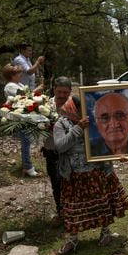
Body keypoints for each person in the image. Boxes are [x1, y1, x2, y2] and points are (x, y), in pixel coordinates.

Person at [53, 96, 128, 255]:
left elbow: (107, 142)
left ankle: (105, 231)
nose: (83, 113)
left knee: (102, 203)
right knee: (73, 208)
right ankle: (73, 239)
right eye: (79, 110)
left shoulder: (95, 122)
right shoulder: (61, 124)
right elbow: (60, 147)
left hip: (97, 171)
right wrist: (79, 128)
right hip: (74, 174)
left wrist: (119, 154)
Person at [2, 63, 43, 177]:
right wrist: (36, 90)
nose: (20, 74)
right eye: (18, 73)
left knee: (27, 141)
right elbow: (23, 96)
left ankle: (27, 165)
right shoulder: (10, 86)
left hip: (24, 116)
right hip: (19, 116)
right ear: (12, 75)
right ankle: (28, 167)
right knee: (25, 142)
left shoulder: (17, 83)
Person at [42, 76, 73, 221]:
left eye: (65, 92)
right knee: (56, 183)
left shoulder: (76, 105)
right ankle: (61, 213)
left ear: (70, 92)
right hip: (51, 151)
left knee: (73, 182)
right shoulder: (43, 106)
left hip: (72, 153)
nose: (61, 95)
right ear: (54, 89)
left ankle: (74, 212)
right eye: (59, 91)